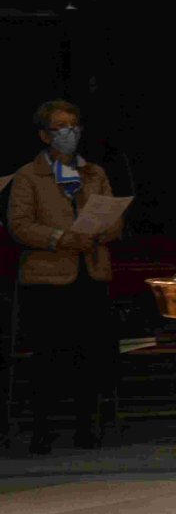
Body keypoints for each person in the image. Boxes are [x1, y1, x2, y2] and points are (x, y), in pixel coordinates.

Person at [8, 100, 123, 454]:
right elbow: (20, 226)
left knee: (89, 354)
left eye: (74, 126)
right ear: (45, 135)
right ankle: (42, 429)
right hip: (49, 279)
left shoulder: (95, 173)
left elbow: (115, 219)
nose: (69, 133)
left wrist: (99, 233)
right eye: (60, 127)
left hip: (90, 272)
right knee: (49, 357)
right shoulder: (29, 176)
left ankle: (85, 428)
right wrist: (61, 238)